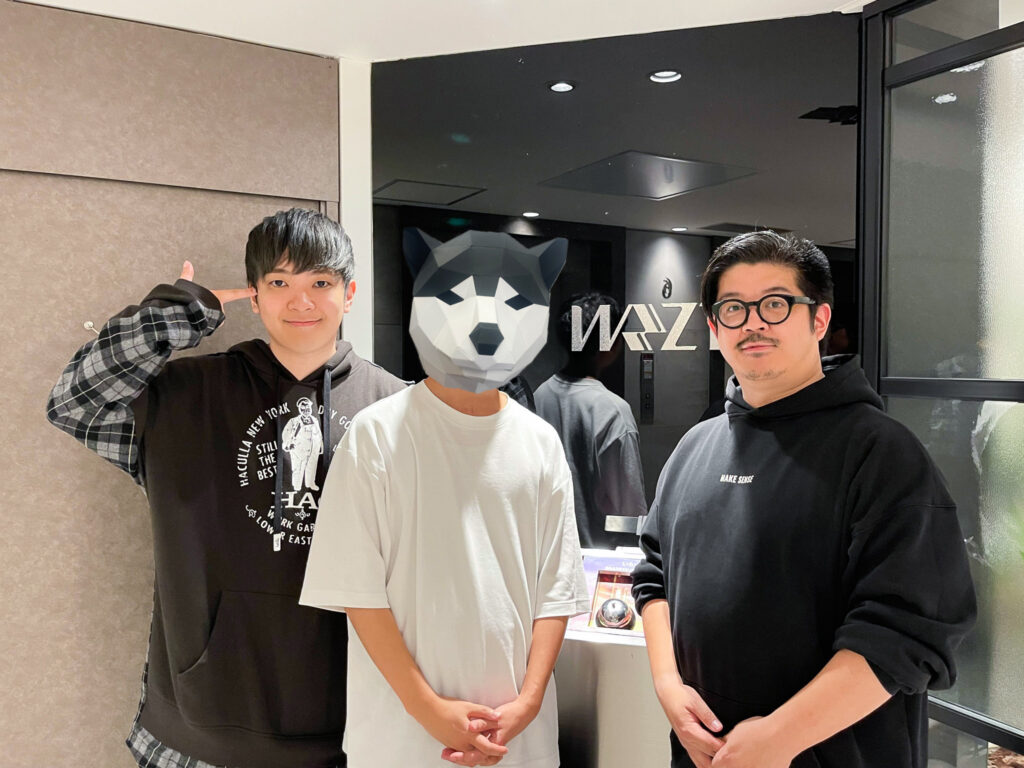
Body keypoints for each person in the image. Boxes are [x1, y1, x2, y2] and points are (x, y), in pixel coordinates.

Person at [46, 208, 405, 768]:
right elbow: (75, 404)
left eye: (320, 283)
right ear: (255, 297)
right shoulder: (184, 395)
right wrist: (174, 317)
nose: (301, 302)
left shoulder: (398, 408)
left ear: (350, 293)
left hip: (354, 730)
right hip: (198, 730)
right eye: (279, 283)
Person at [631, 230, 976, 768]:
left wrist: (778, 739)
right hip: (703, 753)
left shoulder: (881, 452)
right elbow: (653, 575)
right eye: (733, 308)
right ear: (714, 328)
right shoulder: (694, 446)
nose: (753, 323)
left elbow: (909, 632)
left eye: (775, 304)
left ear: (819, 319)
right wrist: (668, 686)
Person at [299, 228, 589, 768]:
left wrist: (527, 703)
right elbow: (358, 592)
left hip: (518, 741)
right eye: (457, 298)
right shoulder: (376, 435)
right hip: (400, 741)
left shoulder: (540, 441)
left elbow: (556, 590)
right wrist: (426, 708)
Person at [535, 293, 646, 549]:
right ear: (609, 344)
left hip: (546, 552)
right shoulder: (613, 411)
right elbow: (629, 513)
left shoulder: (540, 395)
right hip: (598, 558)